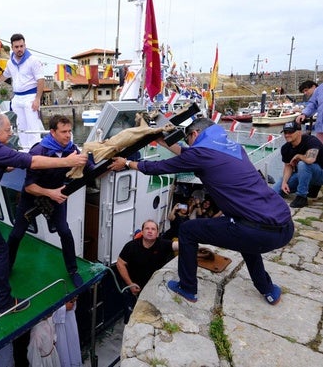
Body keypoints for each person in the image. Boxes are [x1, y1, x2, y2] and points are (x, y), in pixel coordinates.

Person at [109, 117, 293, 305]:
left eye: (188, 139)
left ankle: (188, 287)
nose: (188, 143)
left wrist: (128, 163)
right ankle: (269, 290)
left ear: (195, 133)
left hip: (255, 231)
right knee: (247, 242)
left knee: (188, 230)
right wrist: (163, 141)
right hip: (284, 227)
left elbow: (161, 167)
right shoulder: (235, 148)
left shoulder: (200, 155)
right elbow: (189, 155)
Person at [0, 113, 87, 314]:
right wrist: (68, 162)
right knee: (0, 252)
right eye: (7, 129)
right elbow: (34, 163)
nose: (11, 132)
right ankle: (4, 304)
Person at [7, 115, 84, 288]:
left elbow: (90, 168)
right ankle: (7, 265)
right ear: (52, 132)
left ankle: (73, 271)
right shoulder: (38, 151)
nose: (68, 135)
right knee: (17, 234)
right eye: (63, 132)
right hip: (33, 196)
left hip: (56, 195)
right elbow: (28, 187)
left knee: (64, 231)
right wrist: (51, 194)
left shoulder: (72, 150)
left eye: (70, 131)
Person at [0, 33, 45, 149]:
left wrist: (37, 99)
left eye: (22, 46)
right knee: (21, 127)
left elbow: (41, 80)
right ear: (12, 47)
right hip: (17, 98)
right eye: (17, 47)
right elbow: (4, 76)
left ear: (25, 45)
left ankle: (35, 153)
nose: (19, 49)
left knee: (33, 128)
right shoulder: (10, 62)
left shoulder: (33, 60)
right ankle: (25, 150)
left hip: (30, 96)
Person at [117, 220, 178, 323]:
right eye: (147, 228)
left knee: (150, 317)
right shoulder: (131, 246)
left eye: (153, 229)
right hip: (133, 288)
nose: (150, 231)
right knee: (131, 317)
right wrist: (130, 284)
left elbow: (179, 245)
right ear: (142, 231)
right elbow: (120, 263)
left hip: (152, 288)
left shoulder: (162, 244)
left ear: (157, 233)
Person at [273, 121, 323, 208]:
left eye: (290, 132)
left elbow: (310, 160)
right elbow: (288, 166)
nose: (287, 135)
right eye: (285, 132)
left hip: (319, 174)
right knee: (274, 190)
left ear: (299, 132)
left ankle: (301, 197)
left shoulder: (311, 140)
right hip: (302, 175)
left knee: (302, 164)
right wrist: (284, 183)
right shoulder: (285, 148)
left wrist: (298, 156)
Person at [53, 298, 82, 367]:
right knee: (63, 351)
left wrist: (73, 300)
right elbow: (48, 311)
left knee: (73, 346)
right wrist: (64, 307)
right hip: (58, 326)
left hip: (70, 318)